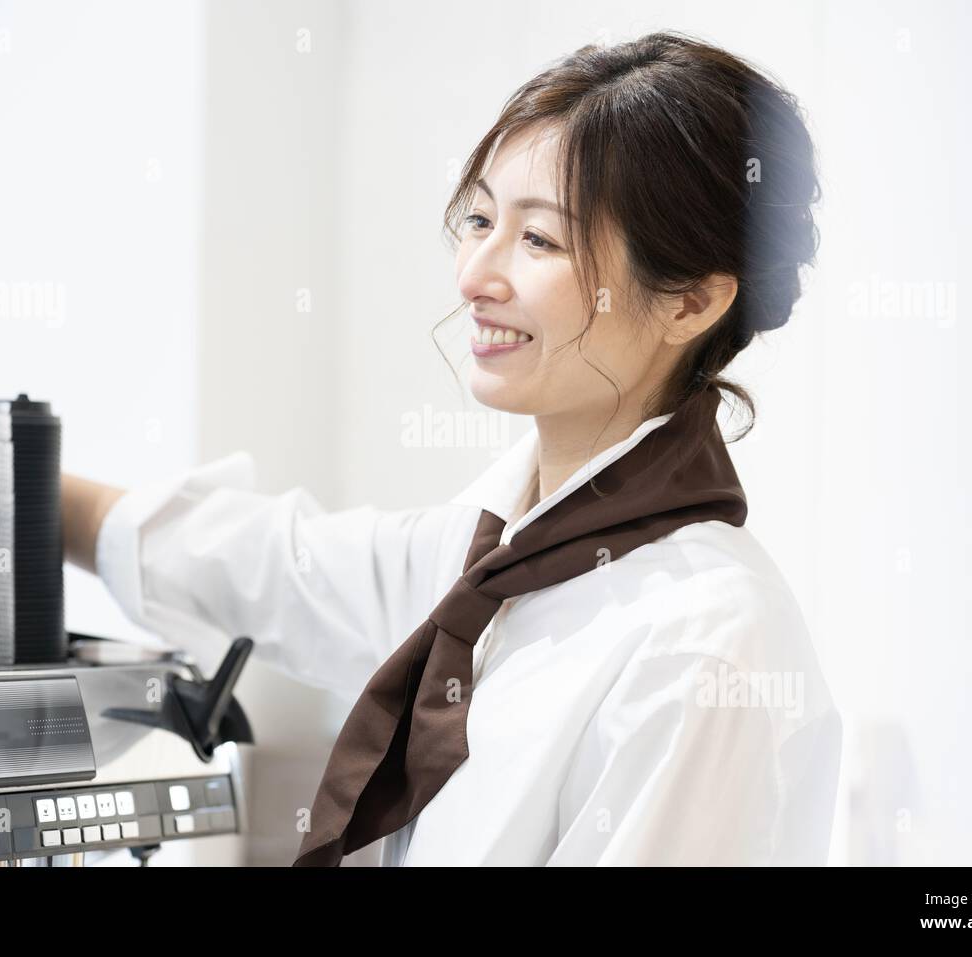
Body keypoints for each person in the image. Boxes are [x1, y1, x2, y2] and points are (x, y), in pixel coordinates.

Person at [62, 31, 841, 866]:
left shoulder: (704, 645)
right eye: (478, 219)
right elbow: (281, 569)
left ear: (689, 303)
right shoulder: (490, 556)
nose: (474, 273)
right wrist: (16, 488)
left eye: (540, 240)